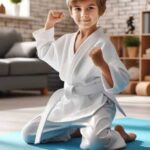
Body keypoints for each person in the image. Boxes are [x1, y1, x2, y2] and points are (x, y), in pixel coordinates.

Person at [21, 0, 136, 149]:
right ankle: (76, 129)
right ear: (71, 11)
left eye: (90, 8)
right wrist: (49, 24)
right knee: (30, 134)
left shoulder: (103, 43)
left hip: (97, 104)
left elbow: (121, 80)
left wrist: (101, 63)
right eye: (78, 9)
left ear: (101, 10)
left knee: (95, 143)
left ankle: (119, 135)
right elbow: (45, 51)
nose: (84, 14)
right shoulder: (67, 40)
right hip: (69, 103)